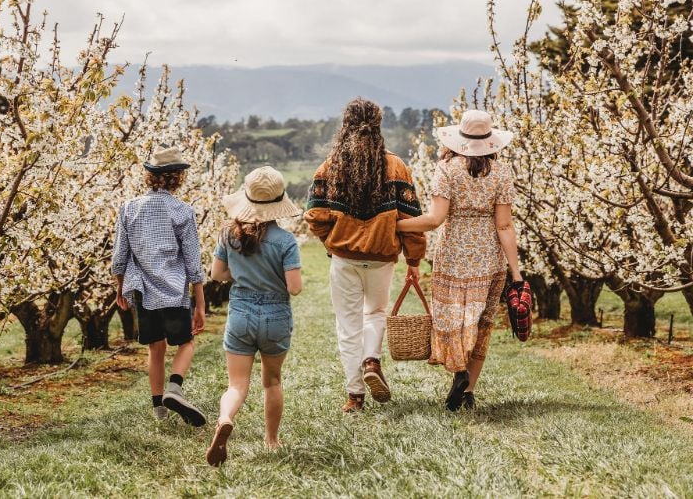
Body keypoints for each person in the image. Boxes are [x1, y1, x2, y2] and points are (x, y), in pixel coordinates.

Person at [305, 98, 426, 413]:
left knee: (348, 325)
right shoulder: (396, 166)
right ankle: (372, 359)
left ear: (345, 125)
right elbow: (411, 220)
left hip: (344, 258)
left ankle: (354, 396)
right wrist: (414, 260)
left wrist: (332, 242)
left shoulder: (329, 167)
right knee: (375, 312)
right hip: (383, 257)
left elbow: (315, 215)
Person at [397, 109, 521, 411]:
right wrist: (516, 273)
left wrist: (394, 225)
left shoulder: (447, 169)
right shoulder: (502, 173)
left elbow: (434, 220)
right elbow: (504, 226)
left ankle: (459, 371)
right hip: (489, 257)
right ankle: (468, 392)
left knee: (452, 320)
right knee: (480, 323)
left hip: (453, 255)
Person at [206, 166, 303, 467]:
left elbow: (217, 274)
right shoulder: (286, 242)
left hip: (240, 314)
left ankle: (225, 418)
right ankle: (272, 441)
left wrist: (244, 273)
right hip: (275, 316)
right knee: (272, 382)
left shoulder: (228, 235)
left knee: (236, 385)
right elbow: (295, 288)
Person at [112, 146, 207, 426]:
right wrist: (199, 303)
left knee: (155, 348)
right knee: (187, 342)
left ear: (150, 176)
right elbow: (192, 262)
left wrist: (120, 289)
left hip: (143, 290)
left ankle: (159, 411)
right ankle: (174, 388)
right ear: (178, 177)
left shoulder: (129, 208)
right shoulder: (183, 211)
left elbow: (119, 258)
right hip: (175, 291)